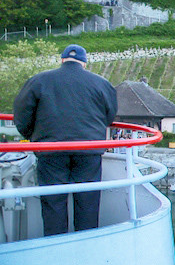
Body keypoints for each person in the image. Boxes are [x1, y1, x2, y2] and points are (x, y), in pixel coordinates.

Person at [13, 44, 118, 237]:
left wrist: (33, 137)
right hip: (89, 150)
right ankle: (86, 243)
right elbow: (109, 117)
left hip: (51, 150)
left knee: (53, 202)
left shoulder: (39, 81)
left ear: (62, 60)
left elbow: (21, 115)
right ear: (84, 63)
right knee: (87, 200)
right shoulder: (101, 83)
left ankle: (56, 245)